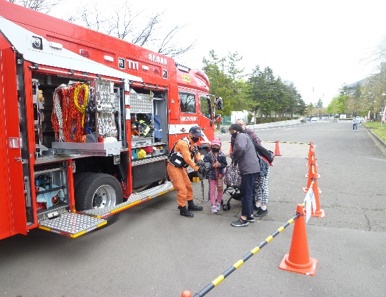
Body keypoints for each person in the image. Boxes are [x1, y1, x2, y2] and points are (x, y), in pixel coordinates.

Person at [235, 119, 271, 217]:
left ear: (245, 125)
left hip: (261, 163)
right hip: (253, 164)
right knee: (256, 185)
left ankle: (264, 207)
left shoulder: (249, 134)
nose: (239, 126)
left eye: (241, 124)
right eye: (237, 124)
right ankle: (257, 205)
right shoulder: (238, 135)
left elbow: (258, 146)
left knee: (263, 185)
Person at [167, 126, 204, 217]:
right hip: (173, 167)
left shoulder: (192, 144)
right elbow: (187, 159)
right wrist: (197, 168)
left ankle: (191, 204)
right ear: (190, 134)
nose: (198, 138)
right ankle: (182, 208)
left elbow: (196, 153)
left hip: (181, 168)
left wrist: (199, 160)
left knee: (188, 186)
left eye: (199, 136)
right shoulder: (183, 143)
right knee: (182, 189)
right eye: (196, 135)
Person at [229, 124, 260, 227]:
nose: (231, 135)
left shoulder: (241, 136)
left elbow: (240, 148)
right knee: (249, 192)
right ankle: (250, 215)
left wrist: (234, 156)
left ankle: (243, 219)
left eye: (232, 132)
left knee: (245, 194)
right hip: (252, 168)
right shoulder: (245, 136)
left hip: (248, 169)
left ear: (236, 131)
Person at [203, 137, 228, 214]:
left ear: (219, 146)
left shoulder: (222, 155)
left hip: (220, 176)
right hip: (211, 176)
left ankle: (218, 202)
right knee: (212, 191)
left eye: (217, 146)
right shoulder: (208, 155)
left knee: (220, 189)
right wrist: (212, 166)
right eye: (213, 146)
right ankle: (213, 205)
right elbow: (206, 166)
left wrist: (220, 164)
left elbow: (225, 164)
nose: (215, 147)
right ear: (211, 146)